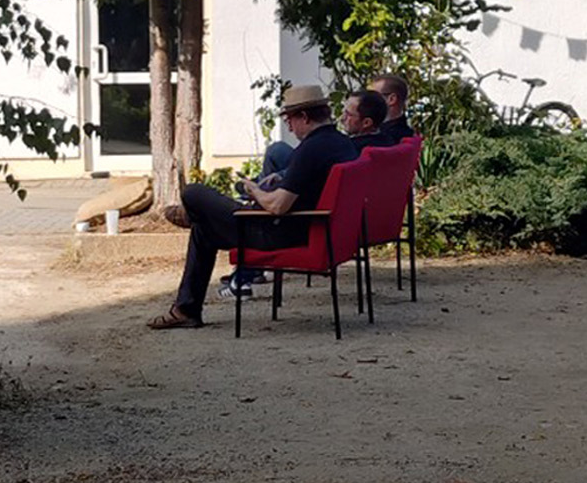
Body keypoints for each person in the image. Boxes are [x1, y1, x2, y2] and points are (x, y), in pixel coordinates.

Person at [148, 83, 359, 329]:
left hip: (280, 232)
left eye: (289, 119)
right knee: (203, 230)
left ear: (304, 116)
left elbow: (278, 206)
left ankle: (192, 218)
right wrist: (281, 179)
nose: (289, 126)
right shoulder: (342, 143)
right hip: (314, 226)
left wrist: (254, 191)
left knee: (193, 192)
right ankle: (185, 310)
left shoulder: (311, 149)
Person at [372, 72, 416, 143]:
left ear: (391, 99)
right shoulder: (408, 134)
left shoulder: (389, 138)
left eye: (373, 96)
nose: (368, 101)